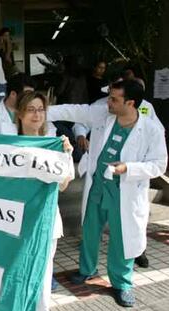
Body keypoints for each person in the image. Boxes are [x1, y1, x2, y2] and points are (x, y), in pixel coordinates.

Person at [47, 80, 168, 307]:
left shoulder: (151, 130)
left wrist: (129, 169)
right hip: (98, 186)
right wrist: (41, 109)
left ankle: (122, 284)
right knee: (90, 230)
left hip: (125, 190)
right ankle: (86, 270)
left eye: (114, 99)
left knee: (122, 240)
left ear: (130, 103)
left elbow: (159, 165)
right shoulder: (104, 115)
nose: (108, 102)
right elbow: (75, 111)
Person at [16, 91, 74, 311]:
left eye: (40, 109)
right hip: (16, 219)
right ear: (20, 114)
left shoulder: (55, 144)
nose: (36, 114)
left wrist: (66, 155)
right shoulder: (10, 146)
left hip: (45, 221)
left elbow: (62, 185)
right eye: (30, 109)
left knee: (42, 273)